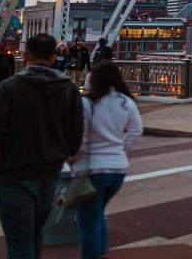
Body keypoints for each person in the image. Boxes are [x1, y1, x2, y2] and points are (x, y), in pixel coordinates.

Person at [0, 33, 84, 258]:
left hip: (13, 175)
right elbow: (75, 137)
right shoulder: (69, 89)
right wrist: (61, 156)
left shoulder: (8, 89)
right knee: (36, 235)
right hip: (50, 173)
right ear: (52, 57)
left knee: (18, 242)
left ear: (25, 56)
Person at [72, 62, 143, 259]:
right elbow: (136, 130)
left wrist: (75, 155)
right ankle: (102, 253)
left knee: (87, 225)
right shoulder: (126, 101)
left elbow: (80, 136)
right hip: (117, 170)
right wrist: (121, 149)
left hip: (92, 169)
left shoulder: (87, 103)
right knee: (97, 215)